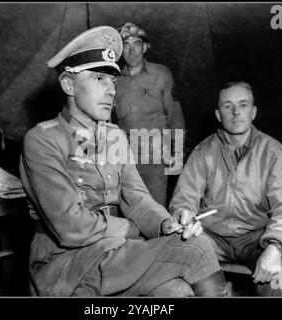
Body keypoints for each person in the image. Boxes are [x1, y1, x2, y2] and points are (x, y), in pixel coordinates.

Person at [19, 26, 228, 297]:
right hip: (67, 265)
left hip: (114, 253)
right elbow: (72, 227)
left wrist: (167, 224)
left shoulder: (114, 136)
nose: (110, 91)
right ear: (68, 85)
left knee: (175, 291)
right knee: (199, 249)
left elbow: (138, 199)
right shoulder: (42, 140)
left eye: (113, 81)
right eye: (98, 79)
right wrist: (130, 227)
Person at [169, 81, 282, 296]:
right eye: (227, 105)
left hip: (257, 237)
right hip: (211, 237)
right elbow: (184, 198)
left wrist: (275, 247)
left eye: (243, 104)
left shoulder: (273, 151)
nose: (236, 112)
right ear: (218, 114)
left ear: (254, 112)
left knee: (281, 277)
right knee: (174, 275)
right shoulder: (203, 152)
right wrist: (184, 214)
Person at [112, 22, 186, 206]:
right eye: (126, 46)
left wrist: (176, 156)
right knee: (130, 211)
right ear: (120, 51)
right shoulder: (113, 81)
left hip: (156, 159)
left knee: (156, 211)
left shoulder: (161, 74)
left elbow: (175, 117)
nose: (132, 51)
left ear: (145, 47)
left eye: (137, 44)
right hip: (126, 160)